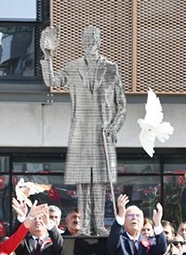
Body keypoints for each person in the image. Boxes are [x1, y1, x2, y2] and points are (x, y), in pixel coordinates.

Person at [41, 26, 127, 236]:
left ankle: (98, 224)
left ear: (99, 41)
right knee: (83, 183)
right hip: (81, 132)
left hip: (102, 134)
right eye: (86, 39)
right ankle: (86, 226)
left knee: (99, 183)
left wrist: (114, 126)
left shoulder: (111, 68)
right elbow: (53, 81)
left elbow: (121, 104)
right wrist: (48, 56)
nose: (89, 42)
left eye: (93, 39)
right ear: (82, 42)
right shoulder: (73, 67)